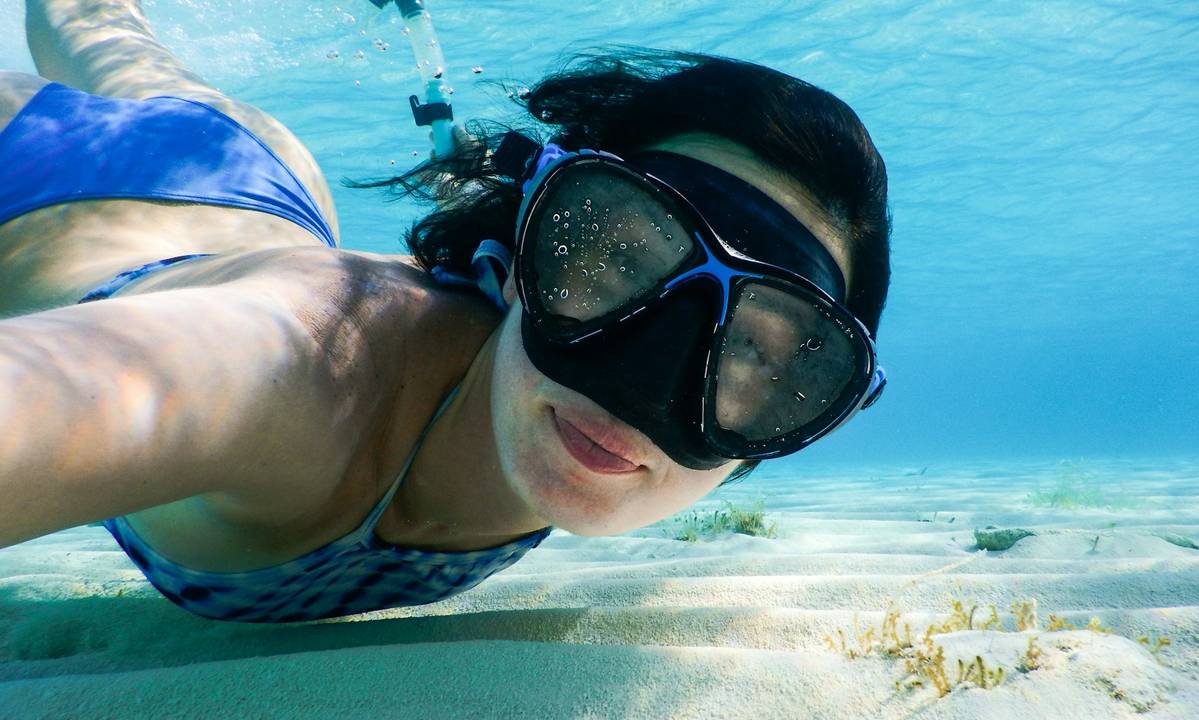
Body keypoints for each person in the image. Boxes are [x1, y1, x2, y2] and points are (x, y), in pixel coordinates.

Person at [0, 0, 891, 622]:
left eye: (757, 358)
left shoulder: (545, 409)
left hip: (265, 184)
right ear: (519, 258)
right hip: (39, 185)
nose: (642, 389)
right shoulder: (311, 362)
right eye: (619, 259)